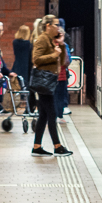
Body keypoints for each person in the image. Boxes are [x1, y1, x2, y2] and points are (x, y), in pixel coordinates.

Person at [30, 15, 71, 156]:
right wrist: (53, 54)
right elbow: (36, 59)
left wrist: (61, 43)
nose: (58, 27)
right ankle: (57, 146)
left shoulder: (52, 40)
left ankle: (37, 147)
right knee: (51, 114)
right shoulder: (42, 39)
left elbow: (63, 60)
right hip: (44, 81)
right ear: (48, 26)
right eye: (55, 25)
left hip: (50, 81)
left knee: (43, 115)